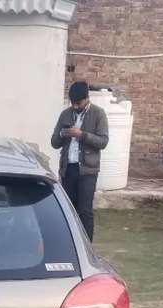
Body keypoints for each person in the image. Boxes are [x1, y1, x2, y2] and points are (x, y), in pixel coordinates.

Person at [51, 81, 109, 241]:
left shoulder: (99, 114)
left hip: (88, 171)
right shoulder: (65, 114)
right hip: (68, 169)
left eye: (79, 103)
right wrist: (63, 134)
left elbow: (103, 142)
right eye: (73, 103)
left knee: (85, 211)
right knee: (68, 210)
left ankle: (87, 248)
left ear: (87, 99)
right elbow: (54, 142)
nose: (75, 106)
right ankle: (70, 244)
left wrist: (81, 134)